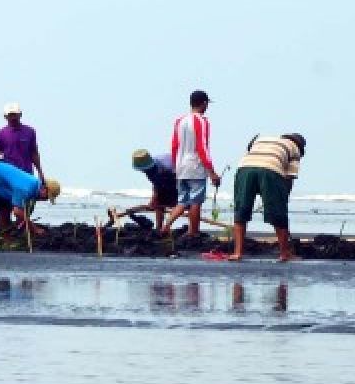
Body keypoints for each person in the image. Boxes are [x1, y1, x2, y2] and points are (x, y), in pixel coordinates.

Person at [229, 134, 305, 261]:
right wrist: (283, 198)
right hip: (270, 170)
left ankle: (237, 253)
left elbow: (250, 148)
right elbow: (289, 177)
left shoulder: (263, 138)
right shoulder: (295, 148)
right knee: (278, 213)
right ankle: (284, 254)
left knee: (241, 210)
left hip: (244, 168)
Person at [162, 90, 221, 241]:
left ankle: (166, 224)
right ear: (204, 103)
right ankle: (193, 232)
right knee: (196, 201)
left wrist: (175, 166)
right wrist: (212, 172)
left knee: (183, 200)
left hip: (181, 165)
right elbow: (203, 147)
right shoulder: (202, 121)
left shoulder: (180, 120)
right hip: (195, 166)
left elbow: (174, 145)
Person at [0, 160, 60, 239]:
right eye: (47, 197)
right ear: (44, 188)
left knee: (5, 206)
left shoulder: (34, 184)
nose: (45, 199)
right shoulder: (26, 188)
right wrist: (35, 228)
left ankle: (5, 237)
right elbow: (17, 212)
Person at [116, 149, 179, 232]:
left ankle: (167, 226)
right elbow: (156, 185)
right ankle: (159, 227)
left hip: (178, 177)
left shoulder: (165, 164)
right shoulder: (149, 170)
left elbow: (180, 180)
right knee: (159, 202)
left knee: (181, 204)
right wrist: (154, 199)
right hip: (166, 179)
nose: (144, 171)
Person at [0, 103, 45, 183]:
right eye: (10, 115)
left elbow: (34, 153)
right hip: (8, 176)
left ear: (20, 114)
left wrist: (40, 173)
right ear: (5, 116)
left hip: (26, 174)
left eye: (15, 115)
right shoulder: (0, 134)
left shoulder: (30, 131)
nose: (13, 117)